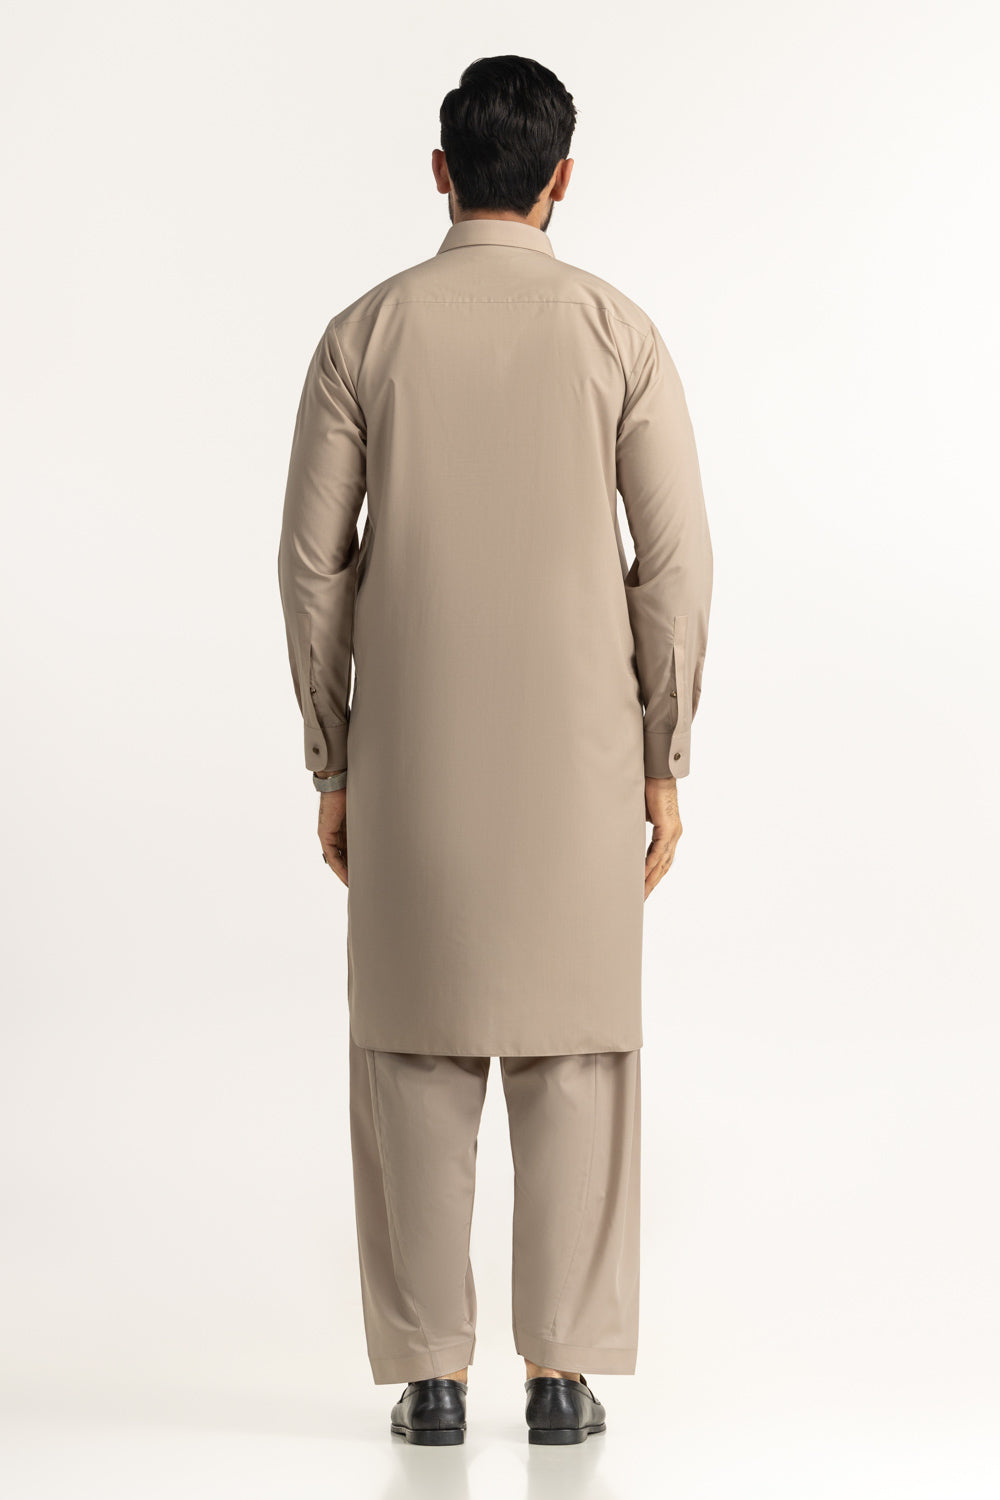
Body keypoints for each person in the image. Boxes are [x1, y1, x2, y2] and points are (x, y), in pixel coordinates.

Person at [277, 54, 713, 1446]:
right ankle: (564, 1378)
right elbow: (676, 568)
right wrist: (663, 754)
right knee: (575, 1049)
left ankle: (431, 1379)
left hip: (412, 755)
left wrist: (333, 758)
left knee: (413, 1045)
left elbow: (312, 569)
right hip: (582, 755)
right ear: (562, 179)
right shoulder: (618, 333)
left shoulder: (363, 335)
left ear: (441, 171)